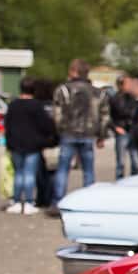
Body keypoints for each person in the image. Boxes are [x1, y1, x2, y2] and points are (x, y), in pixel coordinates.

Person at [51, 59, 108, 200]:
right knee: (88, 170)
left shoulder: (63, 90)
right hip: (88, 134)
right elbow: (104, 116)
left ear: (73, 72)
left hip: (68, 133)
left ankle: (58, 200)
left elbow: (57, 114)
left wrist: (58, 131)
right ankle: (88, 200)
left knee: (63, 169)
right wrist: (101, 135)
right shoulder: (98, 93)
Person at [3, 78, 56, 216]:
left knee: (18, 173)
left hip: (15, 145)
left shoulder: (13, 105)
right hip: (33, 145)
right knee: (29, 174)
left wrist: (8, 143)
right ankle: (28, 202)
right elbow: (47, 125)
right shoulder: (36, 106)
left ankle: (15, 201)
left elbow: (7, 125)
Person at [109, 75, 138, 179]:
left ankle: (135, 179)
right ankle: (119, 179)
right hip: (122, 131)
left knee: (135, 160)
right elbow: (110, 115)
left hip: (133, 130)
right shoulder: (115, 98)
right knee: (121, 161)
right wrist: (115, 127)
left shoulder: (133, 98)